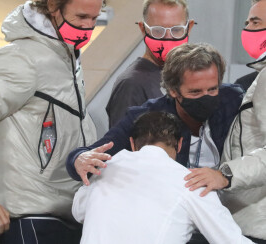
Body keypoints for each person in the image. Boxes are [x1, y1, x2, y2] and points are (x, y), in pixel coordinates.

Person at [0, 0, 106, 243]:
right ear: (53, 6)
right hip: (31, 219)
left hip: (66, 213)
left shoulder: (65, 53)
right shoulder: (22, 58)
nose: (88, 27)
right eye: (81, 17)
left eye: (94, 18)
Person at [66, 43, 244, 192]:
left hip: (228, 205)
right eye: (195, 92)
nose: (207, 97)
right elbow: (91, 154)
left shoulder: (233, 100)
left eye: (212, 89)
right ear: (173, 91)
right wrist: (79, 159)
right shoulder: (147, 116)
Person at [72, 111, 252, 244]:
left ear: (133, 143)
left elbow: (78, 211)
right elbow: (230, 240)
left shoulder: (106, 168)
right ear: (180, 144)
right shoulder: (192, 182)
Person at [106, 0, 195, 128]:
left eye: (176, 30)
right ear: (143, 29)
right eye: (158, 31)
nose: (168, 38)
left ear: (188, 28)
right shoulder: (131, 84)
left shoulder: (181, 77)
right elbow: (120, 146)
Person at [220, 0, 266, 243]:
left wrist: (226, 175)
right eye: (248, 22)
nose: (248, 28)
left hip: (255, 224)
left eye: (256, 22)